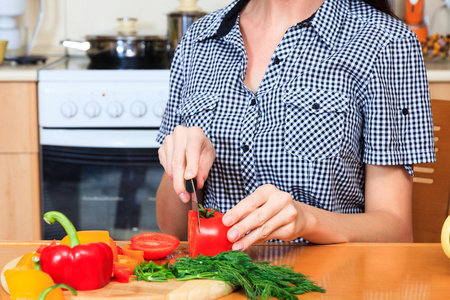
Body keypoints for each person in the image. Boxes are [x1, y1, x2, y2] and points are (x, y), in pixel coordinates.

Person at [156, 0, 436, 250]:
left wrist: (307, 220)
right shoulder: (199, 39)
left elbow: (396, 230)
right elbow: (174, 231)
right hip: (215, 283)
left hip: (329, 286)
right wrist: (181, 172)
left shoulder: (385, 42)